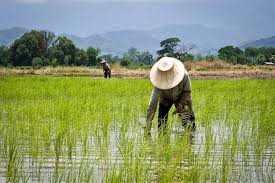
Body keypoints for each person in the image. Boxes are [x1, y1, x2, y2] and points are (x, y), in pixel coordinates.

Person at [145, 57, 195, 136]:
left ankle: (191, 139)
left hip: (182, 96)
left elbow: (187, 91)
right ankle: (163, 141)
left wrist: (181, 105)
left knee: (188, 121)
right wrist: (148, 125)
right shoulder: (158, 80)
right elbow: (153, 103)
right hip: (165, 98)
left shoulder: (184, 75)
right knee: (161, 121)